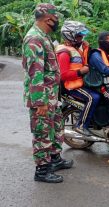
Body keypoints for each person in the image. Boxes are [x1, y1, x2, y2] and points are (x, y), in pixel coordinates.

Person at [22, 3, 73, 183]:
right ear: (48, 19)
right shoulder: (34, 39)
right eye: (56, 18)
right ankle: (42, 171)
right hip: (42, 98)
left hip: (51, 96)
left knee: (55, 128)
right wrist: (40, 102)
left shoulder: (44, 37)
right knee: (42, 132)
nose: (57, 22)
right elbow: (35, 73)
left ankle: (54, 160)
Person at [56, 20, 100, 136]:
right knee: (93, 98)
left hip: (79, 84)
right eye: (79, 36)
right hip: (70, 86)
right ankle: (81, 125)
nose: (82, 38)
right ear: (70, 36)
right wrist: (81, 72)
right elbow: (63, 75)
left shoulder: (77, 49)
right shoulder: (64, 53)